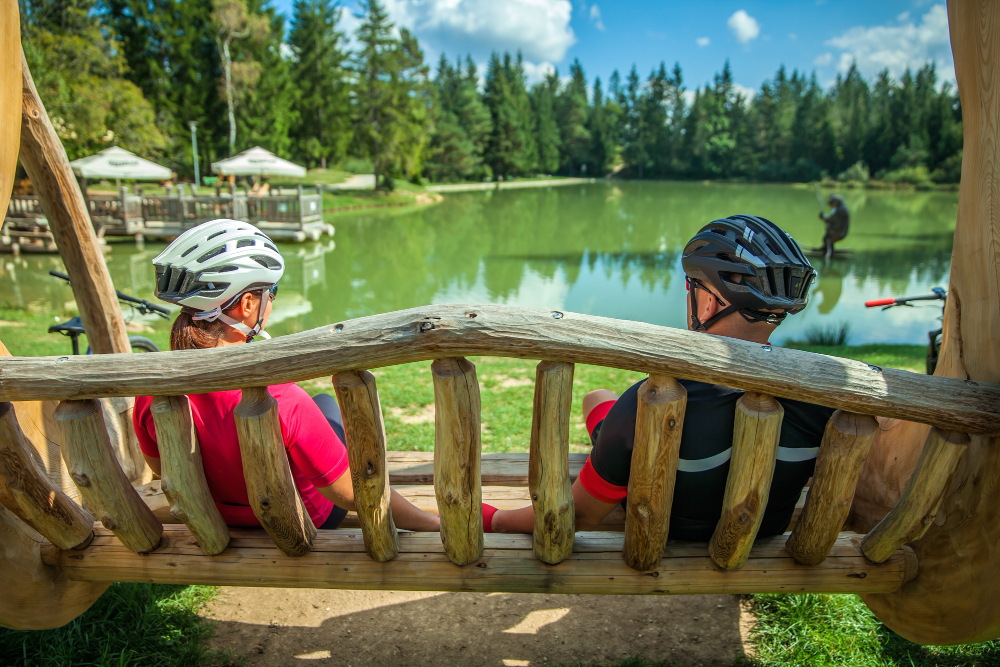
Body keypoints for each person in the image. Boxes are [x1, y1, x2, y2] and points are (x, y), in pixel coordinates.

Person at [484, 215, 833, 542]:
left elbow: (581, 514)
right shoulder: (821, 401)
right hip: (763, 533)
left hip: (673, 533)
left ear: (708, 303)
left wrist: (496, 519)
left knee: (601, 403)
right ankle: (609, 438)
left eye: (692, 286)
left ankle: (608, 441)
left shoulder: (644, 403)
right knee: (601, 403)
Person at [133, 219, 440, 532]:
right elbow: (352, 493)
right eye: (272, 291)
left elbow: (162, 470)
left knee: (321, 403)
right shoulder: (281, 399)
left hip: (220, 519)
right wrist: (443, 521)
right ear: (247, 304)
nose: (272, 300)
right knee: (326, 408)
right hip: (300, 518)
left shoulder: (151, 394)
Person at [819, 194, 849, 260]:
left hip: (840, 232)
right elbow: (831, 219)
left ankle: (829, 253)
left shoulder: (841, 211)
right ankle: (826, 249)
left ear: (836, 202)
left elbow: (837, 224)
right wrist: (823, 217)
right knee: (827, 238)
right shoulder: (839, 209)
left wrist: (831, 229)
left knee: (827, 239)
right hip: (838, 231)